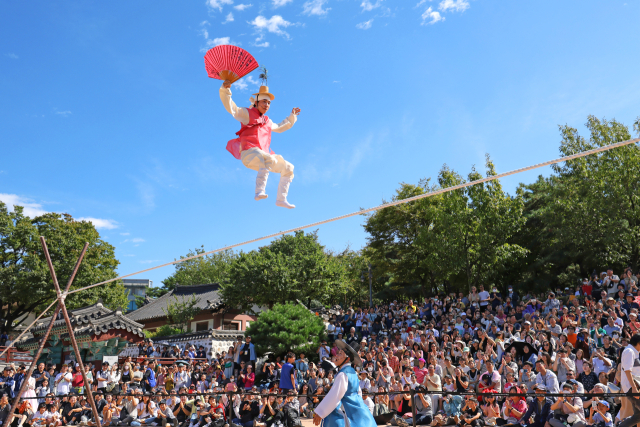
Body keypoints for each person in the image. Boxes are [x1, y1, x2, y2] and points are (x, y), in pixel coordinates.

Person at [220, 79, 301, 208]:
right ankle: (259, 192)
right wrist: (225, 90)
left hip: (263, 157)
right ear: (257, 102)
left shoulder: (267, 121)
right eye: (264, 101)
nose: (267, 105)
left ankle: (281, 199)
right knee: (266, 157)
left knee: (289, 167)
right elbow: (232, 109)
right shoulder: (247, 114)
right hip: (249, 154)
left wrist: (292, 116)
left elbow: (280, 127)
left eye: (269, 103)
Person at [312, 341, 376, 427]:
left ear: (348, 359)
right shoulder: (353, 372)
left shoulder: (343, 374)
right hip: (358, 411)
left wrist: (320, 412)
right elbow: (358, 392)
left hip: (347, 411)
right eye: (338, 353)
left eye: (340, 354)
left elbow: (335, 395)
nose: (336, 355)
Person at [617, 333, 640, 427]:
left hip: (634, 387)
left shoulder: (633, 352)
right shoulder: (629, 351)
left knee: (638, 417)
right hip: (632, 388)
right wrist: (634, 389)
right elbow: (627, 371)